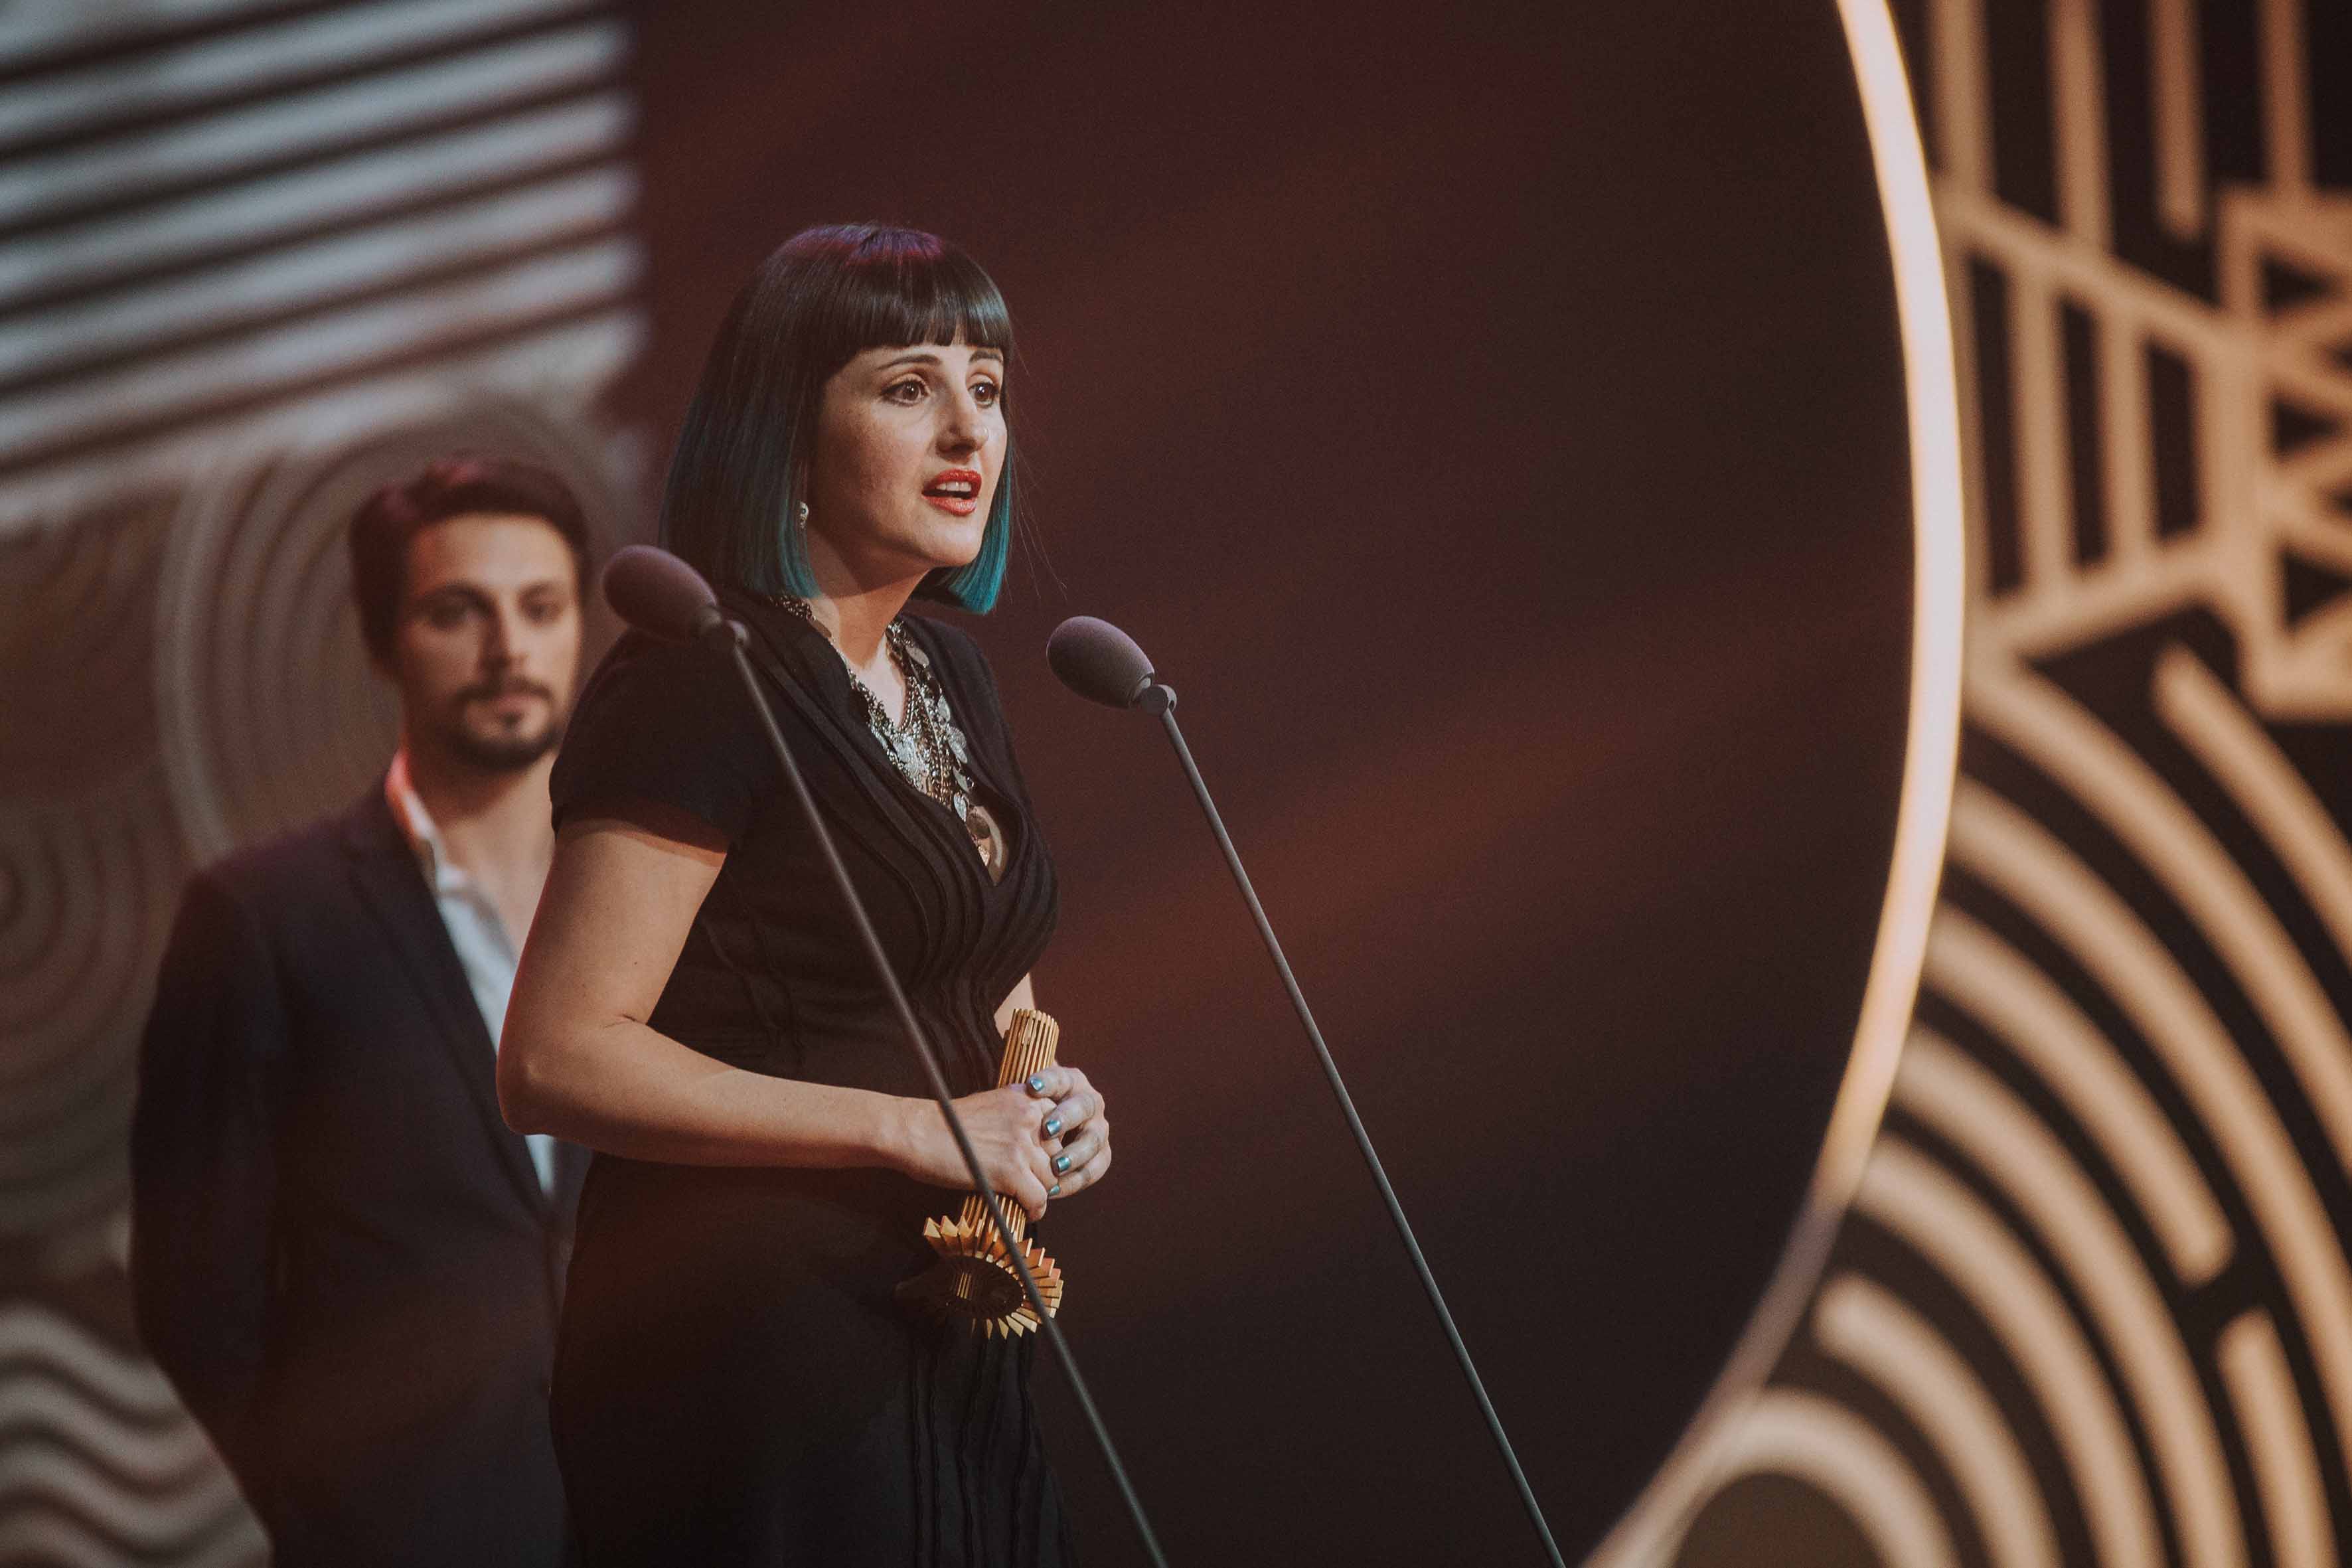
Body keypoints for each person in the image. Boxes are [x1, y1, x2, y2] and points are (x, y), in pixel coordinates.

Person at [498, 222, 1112, 1566]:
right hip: (755, 1355)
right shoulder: (700, 678)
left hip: (945, 1323)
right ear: (786, 433)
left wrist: (1048, 1102)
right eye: (908, 387)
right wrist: (913, 1127)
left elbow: (980, 976)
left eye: (987, 387)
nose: (968, 428)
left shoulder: (950, 678)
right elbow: (555, 1054)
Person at [131, 456, 593, 1568]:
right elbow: (197, 1295)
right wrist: (337, 1512)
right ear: (383, 640)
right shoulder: (262, 918)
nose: (509, 648)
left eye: (541, 607)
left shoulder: (649, 902)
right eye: (457, 612)